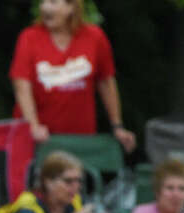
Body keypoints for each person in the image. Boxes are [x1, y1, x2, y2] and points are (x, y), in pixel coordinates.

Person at [9, 0, 136, 150]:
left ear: (71, 7)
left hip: (80, 140)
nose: (45, 7)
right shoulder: (29, 37)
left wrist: (117, 126)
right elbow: (21, 85)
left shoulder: (94, 37)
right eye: (43, 2)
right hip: (39, 140)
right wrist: (33, 126)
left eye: (53, 2)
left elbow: (106, 81)